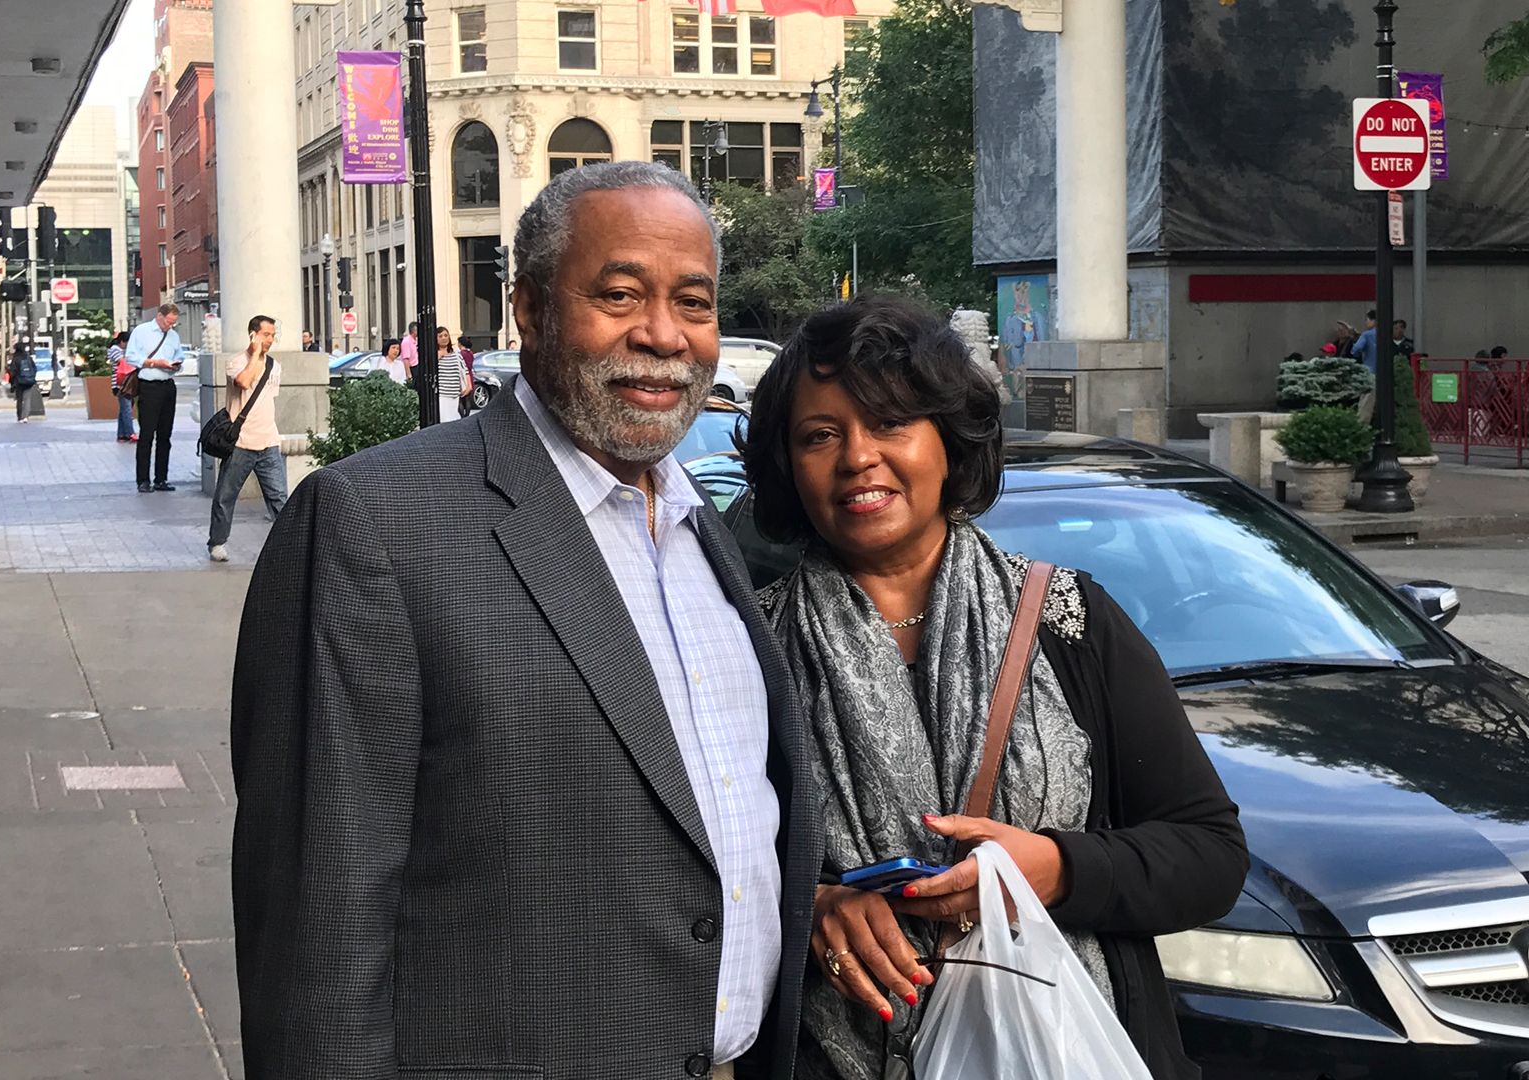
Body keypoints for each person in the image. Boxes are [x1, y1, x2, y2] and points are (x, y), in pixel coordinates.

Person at [231, 160, 821, 1079]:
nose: (663, 335)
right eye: (619, 294)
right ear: (532, 311)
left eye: (693, 303)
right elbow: (319, 920)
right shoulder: (373, 523)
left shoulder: (704, 527)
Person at [739, 296, 1248, 1080]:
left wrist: (1057, 870)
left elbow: (1210, 854)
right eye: (819, 435)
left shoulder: (1071, 623)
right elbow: (691, 885)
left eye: (890, 423)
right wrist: (809, 909)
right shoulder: (749, 648)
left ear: (950, 441)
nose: (857, 457)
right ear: (787, 465)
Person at [206, 315, 286, 563]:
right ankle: (217, 543)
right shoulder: (236, 362)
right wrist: (254, 355)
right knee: (225, 496)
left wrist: (262, 357)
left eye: (273, 335)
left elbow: (268, 400)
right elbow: (243, 382)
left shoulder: (274, 366)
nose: (270, 340)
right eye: (266, 335)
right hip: (240, 443)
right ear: (253, 335)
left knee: (280, 500)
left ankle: (289, 545)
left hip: (269, 442)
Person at [126, 303, 184, 493]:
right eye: (168, 322)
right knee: (147, 435)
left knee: (165, 436)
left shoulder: (173, 336)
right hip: (149, 386)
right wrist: (153, 363)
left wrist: (176, 365)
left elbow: (180, 356)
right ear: (159, 316)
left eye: (173, 323)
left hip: (167, 385)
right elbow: (131, 357)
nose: (170, 326)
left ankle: (161, 478)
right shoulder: (141, 331)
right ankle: (143, 480)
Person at [433, 326, 472, 422]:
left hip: (455, 394)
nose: (443, 338)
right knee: (444, 420)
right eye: (440, 336)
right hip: (442, 394)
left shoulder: (456, 353)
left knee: (453, 419)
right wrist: (436, 358)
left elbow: (464, 370)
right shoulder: (433, 354)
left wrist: (469, 385)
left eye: (446, 335)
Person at [109, 331, 136, 442]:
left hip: (128, 383)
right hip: (121, 384)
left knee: (124, 410)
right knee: (126, 410)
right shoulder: (114, 350)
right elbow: (123, 362)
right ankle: (130, 433)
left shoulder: (123, 350)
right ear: (122, 342)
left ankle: (122, 434)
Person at [8, 340, 39, 422]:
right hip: (28, 381)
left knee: (19, 399)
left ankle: (20, 416)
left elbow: (12, 371)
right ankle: (26, 416)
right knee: (27, 399)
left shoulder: (16, 358)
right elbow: (34, 368)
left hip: (19, 381)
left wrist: (11, 382)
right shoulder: (28, 357)